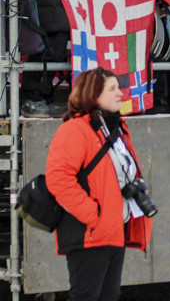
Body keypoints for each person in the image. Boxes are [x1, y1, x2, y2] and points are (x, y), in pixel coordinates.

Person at [45, 67, 153, 301]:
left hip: (113, 229)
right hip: (90, 232)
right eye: (112, 89)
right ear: (92, 95)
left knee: (108, 296)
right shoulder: (75, 130)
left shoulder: (116, 128)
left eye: (119, 88)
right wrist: (96, 216)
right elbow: (59, 180)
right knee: (85, 297)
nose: (120, 94)